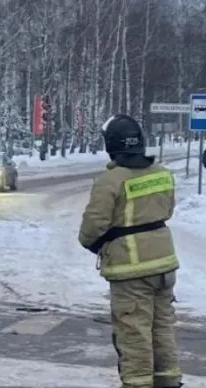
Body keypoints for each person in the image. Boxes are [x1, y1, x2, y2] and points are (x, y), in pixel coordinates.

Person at [78, 114, 182, 388]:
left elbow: (92, 227)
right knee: (162, 328)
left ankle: (138, 384)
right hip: (164, 264)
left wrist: (95, 244)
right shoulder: (162, 173)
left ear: (111, 145)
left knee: (134, 334)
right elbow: (167, 210)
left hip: (131, 270)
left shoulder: (110, 181)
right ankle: (169, 381)